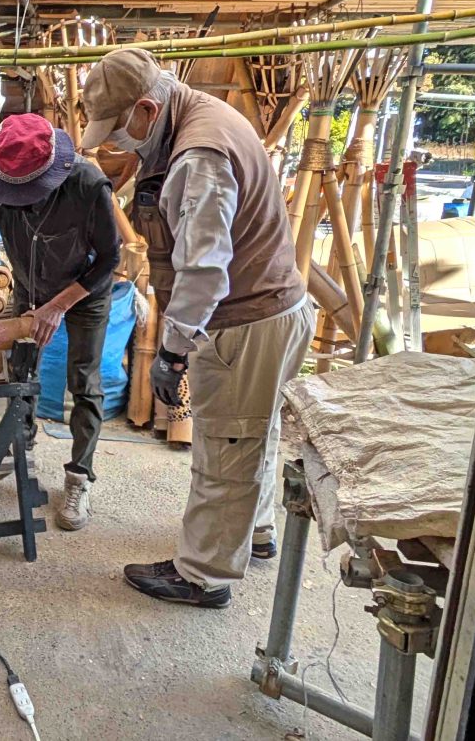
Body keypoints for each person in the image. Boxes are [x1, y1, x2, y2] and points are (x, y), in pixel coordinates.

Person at [79, 49, 314, 609]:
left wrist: (174, 351)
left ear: (145, 108)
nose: (118, 144)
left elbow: (205, 272)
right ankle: (253, 534)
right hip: (279, 310)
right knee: (255, 434)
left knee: (225, 447)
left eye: (120, 131)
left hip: (246, 320)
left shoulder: (199, 155)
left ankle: (203, 574)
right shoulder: (203, 114)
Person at [0, 112, 121, 531]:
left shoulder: (87, 186)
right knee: (21, 371)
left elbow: (110, 260)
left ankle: (79, 477)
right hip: (30, 285)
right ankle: (20, 446)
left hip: (84, 291)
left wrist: (59, 306)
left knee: (84, 382)